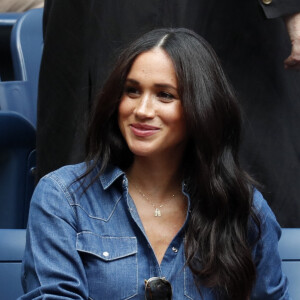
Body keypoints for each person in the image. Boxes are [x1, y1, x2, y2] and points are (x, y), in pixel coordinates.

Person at [20, 28, 289, 300]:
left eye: (165, 95)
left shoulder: (243, 206)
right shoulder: (63, 196)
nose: (142, 110)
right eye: (132, 91)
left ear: (202, 107)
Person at [36, 0, 300, 227]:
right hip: (105, 17)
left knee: (239, 194)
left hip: (229, 21)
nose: (145, 110)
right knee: (85, 186)